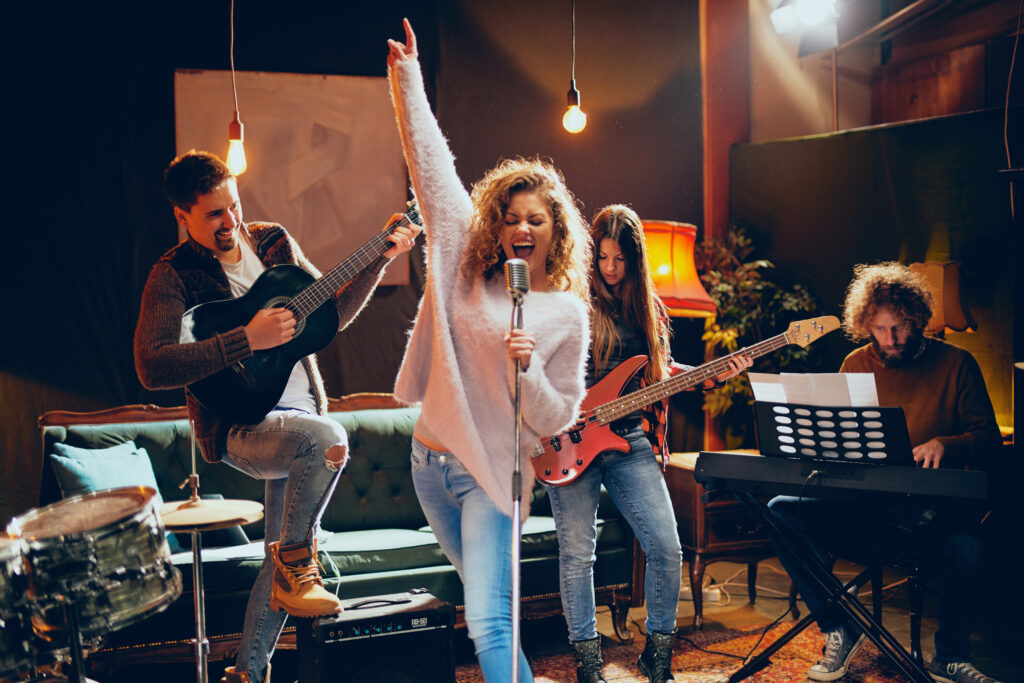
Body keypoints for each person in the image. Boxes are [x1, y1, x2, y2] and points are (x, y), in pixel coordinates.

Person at [134, 150, 421, 683]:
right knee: (327, 445)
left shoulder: (271, 242)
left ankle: (246, 673)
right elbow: (152, 366)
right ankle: (296, 563)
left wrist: (381, 255)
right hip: (243, 426)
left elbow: (330, 311)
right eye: (214, 213)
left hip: (301, 414)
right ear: (182, 215)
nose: (231, 222)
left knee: (281, 557)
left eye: (234, 206)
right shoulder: (172, 276)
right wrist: (247, 338)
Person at [386, 19, 593, 683]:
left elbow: (558, 416)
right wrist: (409, 78)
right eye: (511, 216)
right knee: (488, 606)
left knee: (488, 618)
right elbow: (432, 170)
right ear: (496, 224)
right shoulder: (465, 271)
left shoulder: (564, 313)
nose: (522, 227)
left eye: (537, 217)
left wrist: (525, 368)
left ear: (556, 229)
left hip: (490, 476)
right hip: (428, 461)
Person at [768, 262, 1003, 683]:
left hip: (930, 514)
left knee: (971, 545)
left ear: (917, 320)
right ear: (865, 325)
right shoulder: (855, 364)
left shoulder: (957, 364)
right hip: (867, 509)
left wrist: (945, 445)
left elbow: (987, 439)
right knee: (780, 510)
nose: (890, 340)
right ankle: (839, 624)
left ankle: (949, 657)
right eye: (879, 329)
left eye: (899, 328)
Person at [544, 205, 751, 683]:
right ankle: (589, 665)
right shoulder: (572, 297)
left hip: (630, 439)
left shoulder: (648, 308)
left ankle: (657, 658)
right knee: (578, 552)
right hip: (569, 439)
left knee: (666, 548)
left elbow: (659, 375)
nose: (610, 268)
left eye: (620, 260)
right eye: (603, 257)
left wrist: (708, 375)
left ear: (635, 260)